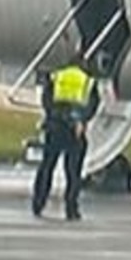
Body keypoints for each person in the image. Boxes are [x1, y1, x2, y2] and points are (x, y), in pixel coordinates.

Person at [31, 54, 100, 221]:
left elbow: (46, 99)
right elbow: (93, 104)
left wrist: (53, 116)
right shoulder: (87, 81)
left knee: (47, 167)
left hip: (55, 126)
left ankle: (38, 203)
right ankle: (71, 208)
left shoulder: (58, 76)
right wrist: (81, 120)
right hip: (74, 130)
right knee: (73, 172)